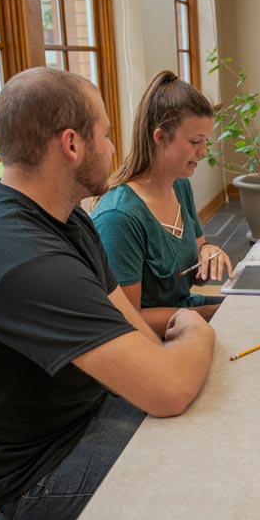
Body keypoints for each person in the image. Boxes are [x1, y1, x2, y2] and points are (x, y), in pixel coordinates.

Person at [0, 67, 216, 520]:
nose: (115, 147)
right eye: (105, 133)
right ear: (72, 144)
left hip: (86, 412)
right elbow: (169, 389)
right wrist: (197, 328)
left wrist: (171, 357)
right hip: (40, 474)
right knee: (203, 481)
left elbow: (132, 326)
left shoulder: (65, 220)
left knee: (217, 427)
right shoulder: (24, 261)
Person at [92, 70, 231, 336]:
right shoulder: (118, 217)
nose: (203, 152)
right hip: (153, 340)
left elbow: (198, 249)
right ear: (160, 137)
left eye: (206, 141)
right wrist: (204, 315)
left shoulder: (179, 185)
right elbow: (130, 319)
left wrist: (208, 252)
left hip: (187, 313)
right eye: (194, 142)